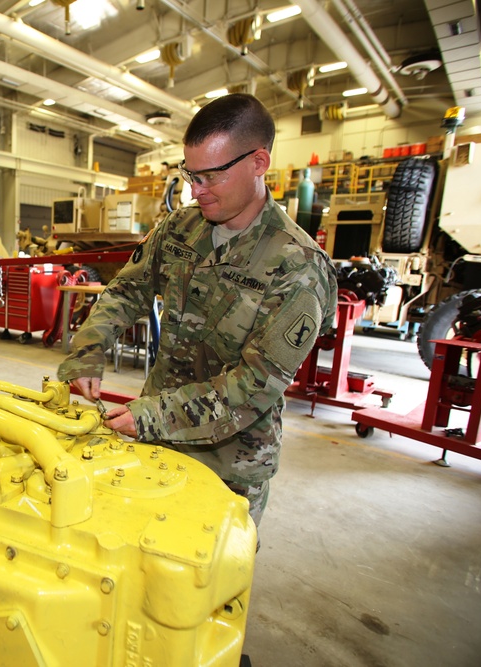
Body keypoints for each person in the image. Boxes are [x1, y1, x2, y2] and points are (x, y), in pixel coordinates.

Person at [58, 93, 336, 531]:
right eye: (191, 174)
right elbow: (129, 288)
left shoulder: (297, 266)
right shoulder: (180, 227)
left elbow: (255, 385)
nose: (196, 190)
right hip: (154, 442)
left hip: (229, 463)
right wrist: (89, 349)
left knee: (203, 585)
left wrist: (151, 416)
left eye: (211, 176)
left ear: (258, 162)